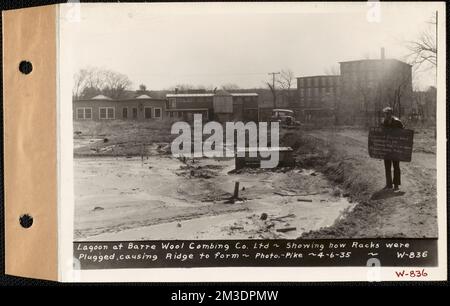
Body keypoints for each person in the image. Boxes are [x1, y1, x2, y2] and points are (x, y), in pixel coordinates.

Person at [382, 106, 404, 191]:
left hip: (395, 148)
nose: (386, 115)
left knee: (396, 166)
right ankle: (389, 184)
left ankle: (396, 185)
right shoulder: (384, 122)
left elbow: (404, 134)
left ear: (391, 113)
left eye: (388, 113)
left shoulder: (398, 122)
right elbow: (381, 134)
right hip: (387, 148)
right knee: (387, 167)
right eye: (385, 114)